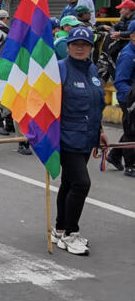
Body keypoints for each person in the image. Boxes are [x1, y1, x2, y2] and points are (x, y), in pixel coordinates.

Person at [50, 27, 107, 255]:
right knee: (82, 184)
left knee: (69, 183)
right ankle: (71, 234)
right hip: (66, 138)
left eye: (85, 44)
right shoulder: (59, 69)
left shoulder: (92, 70)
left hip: (87, 137)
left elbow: (97, 105)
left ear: (91, 47)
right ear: (68, 46)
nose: (80, 47)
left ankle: (60, 228)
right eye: (76, 44)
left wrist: (100, 130)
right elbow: (47, 104)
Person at [106, 22, 135, 177]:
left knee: (132, 129)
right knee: (131, 131)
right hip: (129, 99)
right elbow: (120, 82)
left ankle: (115, 155)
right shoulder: (128, 55)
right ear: (132, 36)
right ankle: (130, 165)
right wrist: (131, 98)